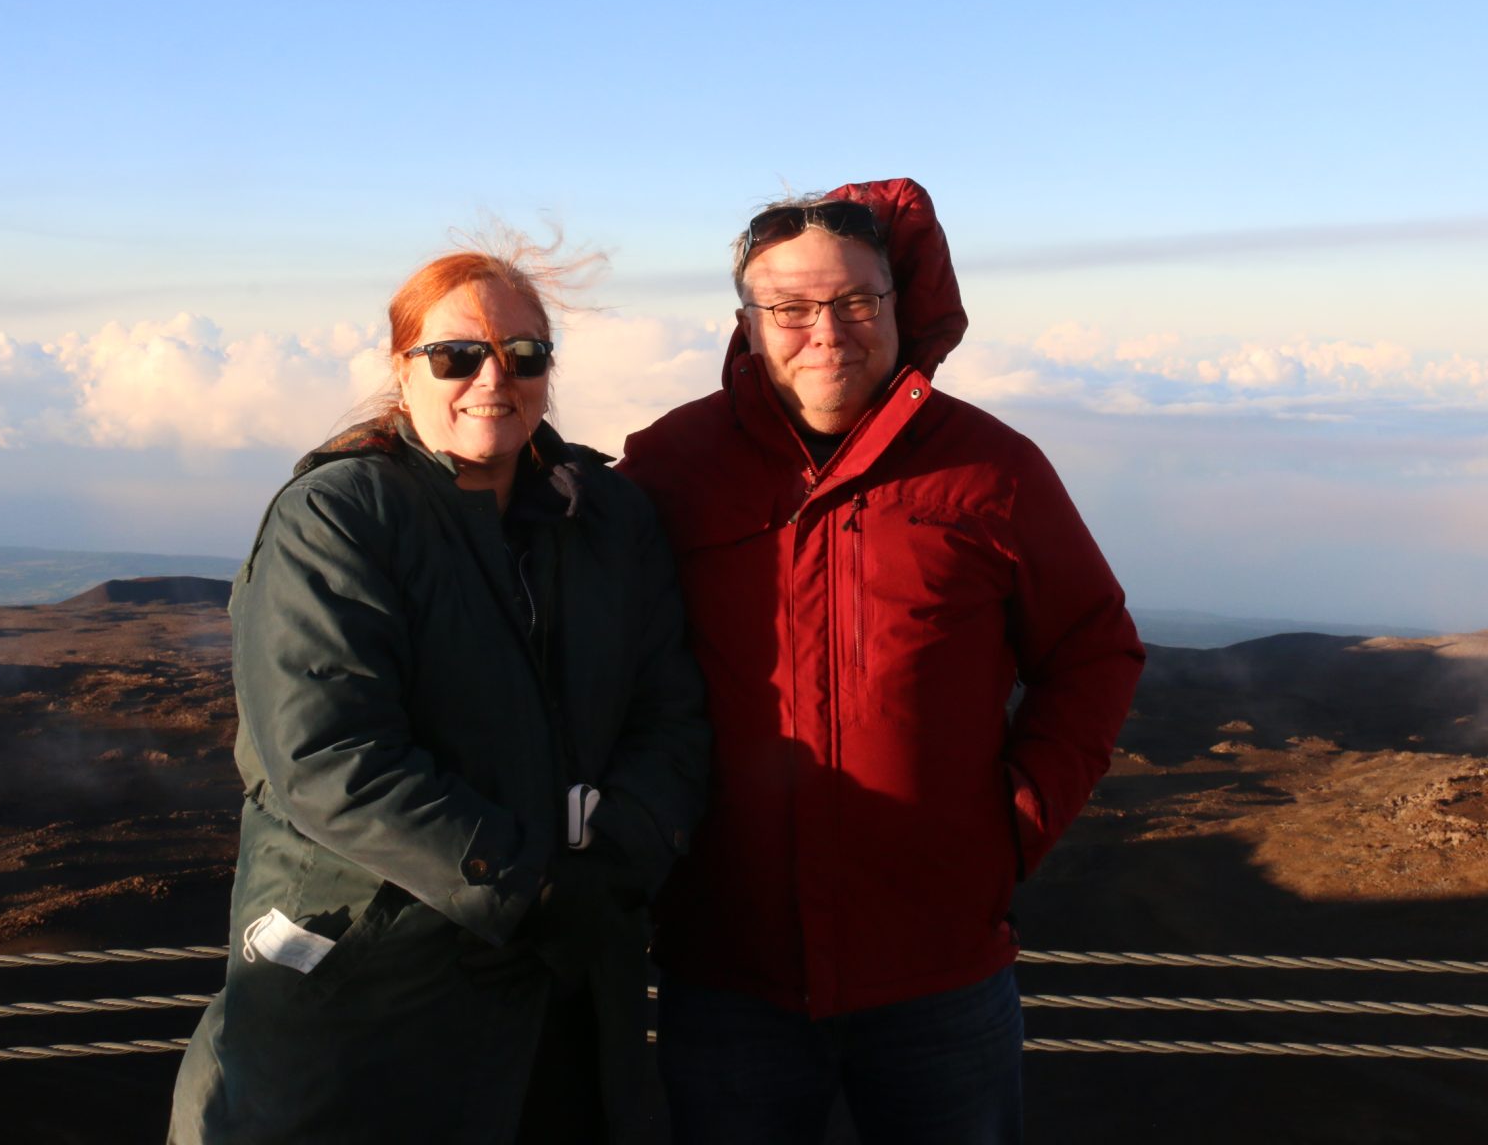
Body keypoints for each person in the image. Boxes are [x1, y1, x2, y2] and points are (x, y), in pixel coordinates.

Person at [618, 177, 1145, 1144]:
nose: (827, 330)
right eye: (789, 307)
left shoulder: (991, 467)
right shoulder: (671, 464)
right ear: (746, 322)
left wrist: (1013, 823)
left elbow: (1094, 648)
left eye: (856, 301)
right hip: (726, 968)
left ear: (899, 306)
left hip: (938, 970)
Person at [168, 239, 710, 1145]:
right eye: (457, 355)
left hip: (571, 999)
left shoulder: (607, 518)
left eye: (524, 354)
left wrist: (620, 860)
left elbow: (673, 714)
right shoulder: (339, 516)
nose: (493, 378)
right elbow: (332, 757)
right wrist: (528, 889)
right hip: (375, 998)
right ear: (402, 367)